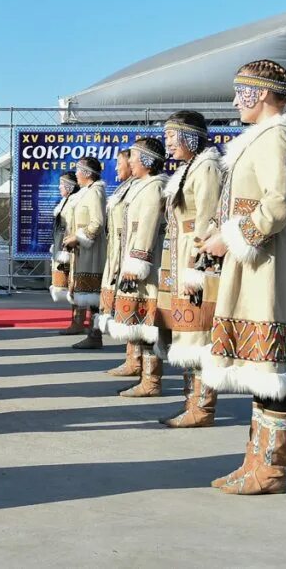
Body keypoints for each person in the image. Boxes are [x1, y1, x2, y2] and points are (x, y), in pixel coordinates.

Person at [198, 59, 286, 495]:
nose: (234, 100)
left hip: (266, 263)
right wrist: (220, 230)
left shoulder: (278, 135)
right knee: (260, 365)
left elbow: (277, 205)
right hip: (251, 258)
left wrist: (234, 238)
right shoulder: (259, 138)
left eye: (241, 91)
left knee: (272, 366)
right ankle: (255, 461)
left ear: (261, 93)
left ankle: (271, 470)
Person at [155, 111, 223, 428]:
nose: (167, 144)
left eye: (171, 137)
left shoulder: (207, 167)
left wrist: (197, 268)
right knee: (185, 333)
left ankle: (202, 407)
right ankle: (190, 401)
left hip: (196, 259)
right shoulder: (188, 169)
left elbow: (209, 221)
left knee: (199, 334)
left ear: (190, 136)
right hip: (180, 257)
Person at [107, 137, 167, 398]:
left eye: (133, 156)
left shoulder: (154, 187)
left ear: (145, 160)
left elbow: (148, 226)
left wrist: (137, 261)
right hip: (133, 261)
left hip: (145, 267)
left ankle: (151, 381)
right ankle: (143, 374)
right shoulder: (141, 186)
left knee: (148, 323)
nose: (129, 161)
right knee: (139, 323)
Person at [96, 150, 138, 376]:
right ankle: (131, 359)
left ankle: (140, 366)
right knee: (125, 308)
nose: (117, 168)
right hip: (118, 253)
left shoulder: (144, 188)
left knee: (136, 310)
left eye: (121, 163)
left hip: (130, 255)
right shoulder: (126, 188)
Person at [64, 157, 107, 349]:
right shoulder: (86, 192)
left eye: (78, 171)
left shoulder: (96, 192)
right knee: (89, 295)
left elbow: (97, 222)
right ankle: (92, 332)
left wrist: (79, 238)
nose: (76, 175)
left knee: (94, 296)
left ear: (87, 173)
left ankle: (95, 334)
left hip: (92, 251)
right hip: (83, 250)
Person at [50, 172, 79, 306]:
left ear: (70, 186)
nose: (59, 187)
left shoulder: (75, 202)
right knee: (70, 286)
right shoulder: (65, 201)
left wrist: (66, 248)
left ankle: (79, 320)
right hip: (63, 246)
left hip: (71, 249)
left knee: (75, 285)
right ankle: (76, 320)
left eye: (61, 184)